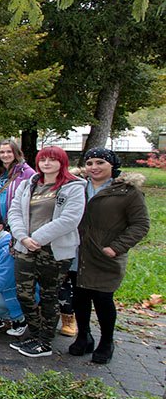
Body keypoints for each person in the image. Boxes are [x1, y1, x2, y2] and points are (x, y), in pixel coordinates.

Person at [72, 148, 150, 364]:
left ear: (112, 166)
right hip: (77, 251)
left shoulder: (127, 191)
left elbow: (140, 224)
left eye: (100, 163)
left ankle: (107, 341)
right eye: (90, 163)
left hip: (105, 254)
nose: (94, 167)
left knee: (103, 298)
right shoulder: (77, 186)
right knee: (79, 297)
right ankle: (83, 335)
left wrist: (116, 247)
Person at [7, 146, 85, 358]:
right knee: (24, 292)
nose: (47, 164)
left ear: (62, 162)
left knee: (50, 295)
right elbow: (14, 211)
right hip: (25, 246)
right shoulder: (28, 184)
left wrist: (38, 238)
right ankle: (34, 332)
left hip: (55, 251)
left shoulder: (74, 187)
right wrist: (23, 237)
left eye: (52, 160)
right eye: (43, 160)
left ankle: (45, 341)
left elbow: (70, 219)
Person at [0, 139, 35, 218]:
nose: (5, 155)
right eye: (2, 152)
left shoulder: (27, 173)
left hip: (17, 218)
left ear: (15, 153)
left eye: (9, 152)